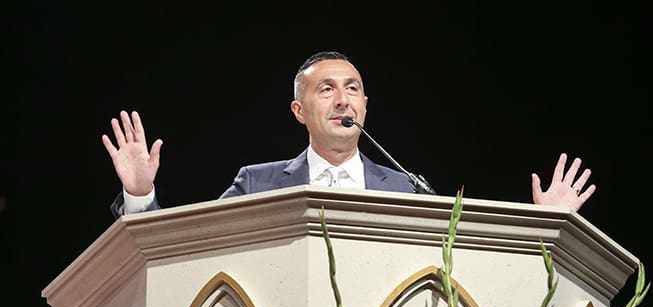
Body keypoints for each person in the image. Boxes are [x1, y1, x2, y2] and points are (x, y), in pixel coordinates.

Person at [102, 51, 596, 217]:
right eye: (326, 90)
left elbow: (461, 263)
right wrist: (140, 196)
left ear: (364, 106)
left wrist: (545, 230)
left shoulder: (407, 188)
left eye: (353, 89)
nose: (342, 99)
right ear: (299, 110)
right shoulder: (257, 182)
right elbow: (190, 249)